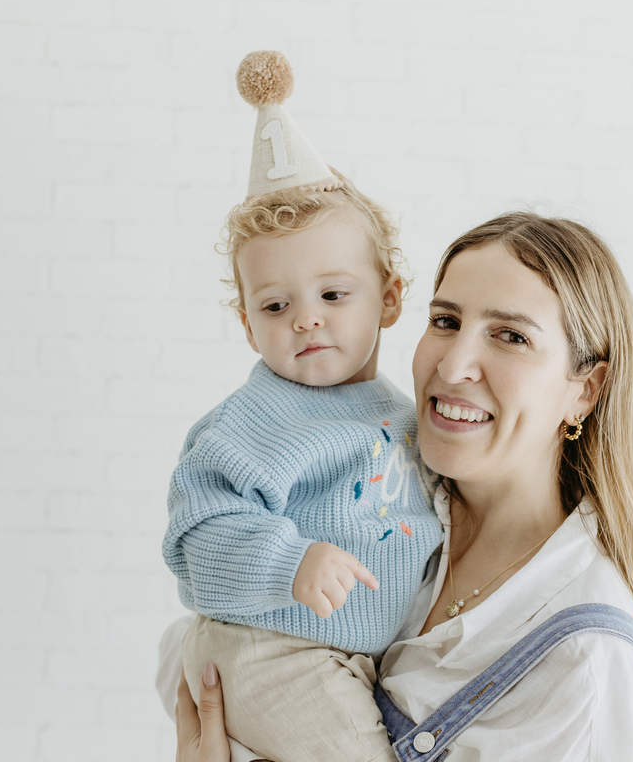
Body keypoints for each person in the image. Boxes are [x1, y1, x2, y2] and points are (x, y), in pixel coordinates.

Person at [160, 212, 633, 761]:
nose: (455, 365)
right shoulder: (391, 491)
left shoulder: (585, 658)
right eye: (446, 321)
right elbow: (195, 646)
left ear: (586, 388)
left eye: (511, 336)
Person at [162, 51, 440, 762]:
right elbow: (199, 538)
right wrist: (288, 561)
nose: (306, 320)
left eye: (333, 294)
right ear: (248, 324)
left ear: (389, 296)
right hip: (271, 647)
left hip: (346, 658)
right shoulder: (251, 424)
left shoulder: (404, 416)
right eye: (276, 305)